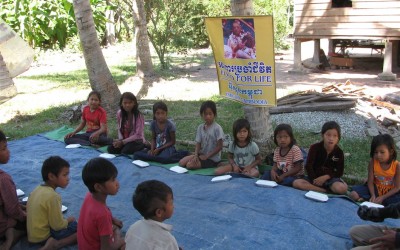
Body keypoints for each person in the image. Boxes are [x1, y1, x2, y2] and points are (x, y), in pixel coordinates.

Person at [27, 156, 77, 249]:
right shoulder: (53, 196)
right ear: (51, 176)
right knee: (79, 229)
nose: (68, 178)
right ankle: (56, 244)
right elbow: (58, 226)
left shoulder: (37, 189)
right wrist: (68, 220)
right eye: (65, 175)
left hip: (32, 237)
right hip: (43, 238)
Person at [78, 157, 125, 250]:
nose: (117, 183)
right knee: (126, 244)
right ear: (98, 187)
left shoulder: (89, 196)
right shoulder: (102, 214)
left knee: (115, 228)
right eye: (113, 180)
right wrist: (121, 241)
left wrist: (112, 219)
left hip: (84, 245)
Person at [293, 121, 348, 194]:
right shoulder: (314, 148)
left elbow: (339, 172)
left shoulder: (339, 152)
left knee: (341, 189)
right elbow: (308, 166)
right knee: (296, 183)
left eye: (335, 136)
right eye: (328, 135)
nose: (331, 138)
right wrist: (315, 180)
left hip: (330, 180)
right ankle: (325, 191)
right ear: (322, 135)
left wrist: (326, 177)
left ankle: (325, 188)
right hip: (314, 178)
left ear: (338, 138)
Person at [125, 180, 179, 250]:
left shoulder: (133, 228)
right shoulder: (167, 240)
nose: (173, 206)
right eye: (171, 203)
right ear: (159, 212)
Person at [349, 134, 400, 206]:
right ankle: (373, 199)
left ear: (391, 152)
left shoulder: (397, 165)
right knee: (353, 195)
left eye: (382, 152)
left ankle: (372, 200)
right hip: (375, 189)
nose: (378, 155)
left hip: (390, 192)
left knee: (396, 204)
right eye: (376, 152)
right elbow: (370, 182)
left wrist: (382, 197)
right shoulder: (372, 162)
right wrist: (373, 195)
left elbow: (397, 187)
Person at [0, 130, 26, 250]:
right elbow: (13, 210)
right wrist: (27, 216)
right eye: (4, 148)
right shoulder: (4, 179)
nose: (8, 151)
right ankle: (13, 234)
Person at [179, 100, 224, 169]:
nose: (208, 116)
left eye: (210, 114)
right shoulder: (200, 127)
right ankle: (195, 159)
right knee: (181, 162)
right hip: (201, 155)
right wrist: (196, 155)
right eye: (205, 114)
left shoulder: (217, 128)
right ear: (201, 115)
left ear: (214, 114)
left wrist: (207, 156)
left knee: (189, 165)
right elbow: (198, 144)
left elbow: (219, 146)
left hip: (212, 159)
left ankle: (216, 164)